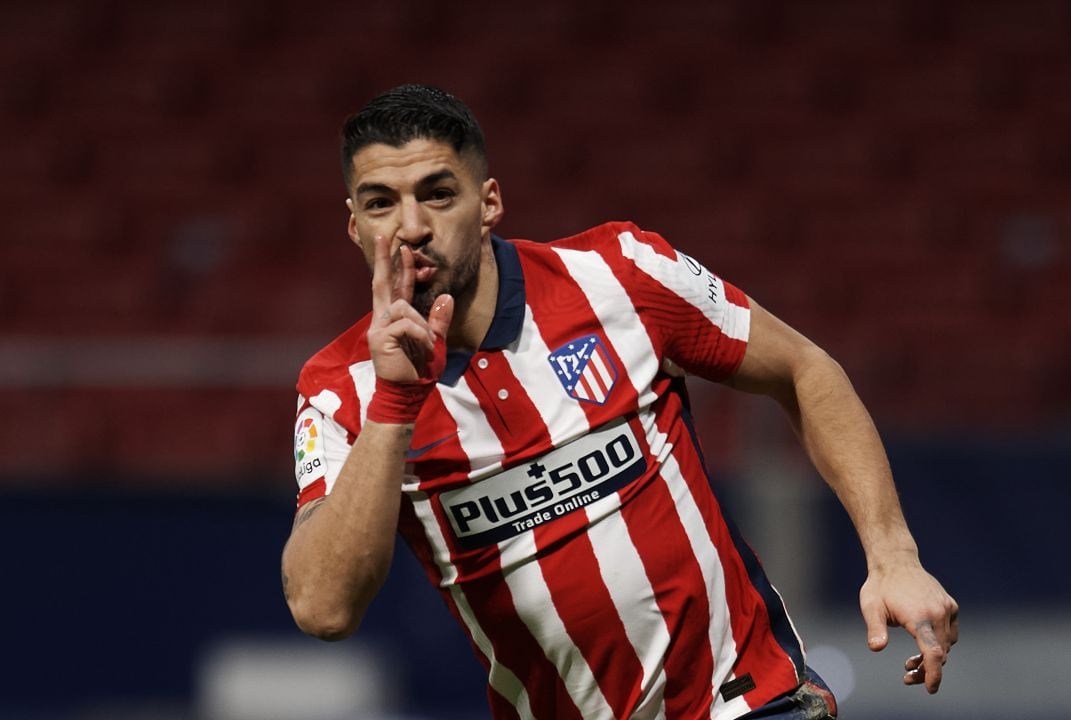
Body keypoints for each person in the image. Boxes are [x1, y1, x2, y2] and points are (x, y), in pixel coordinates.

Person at [280, 84, 958, 720]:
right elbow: (321, 608)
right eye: (380, 203)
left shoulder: (618, 274)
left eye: (437, 194)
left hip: (747, 702)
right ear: (353, 226)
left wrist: (893, 553)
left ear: (488, 203)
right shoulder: (341, 390)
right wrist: (396, 404)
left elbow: (804, 369)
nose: (412, 226)